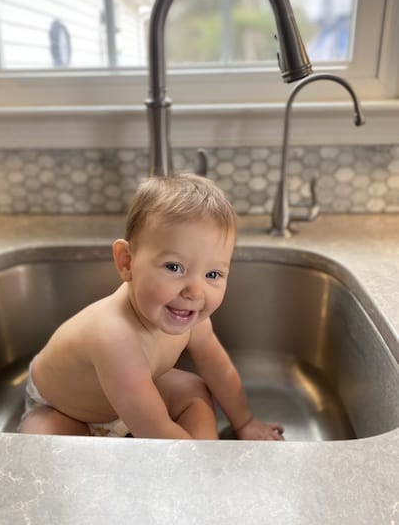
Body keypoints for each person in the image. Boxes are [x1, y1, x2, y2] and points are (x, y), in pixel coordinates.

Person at [19, 173, 284, 441]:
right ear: (126, 262)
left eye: (213, 275)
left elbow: (219, 370)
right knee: (46, 446)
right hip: (67, 411)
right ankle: (195, 467)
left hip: (134, 398)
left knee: (194, 389)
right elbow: (155, 432)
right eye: (174, 267)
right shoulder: (115, 336)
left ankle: (207, 451)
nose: (194, 291)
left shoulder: (192, 316)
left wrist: (245, 422)